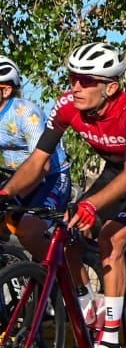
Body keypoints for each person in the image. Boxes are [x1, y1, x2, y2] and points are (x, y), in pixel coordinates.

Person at [1, 42, 126, 348]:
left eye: (86, 80)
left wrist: (91, 204)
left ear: (111, 87)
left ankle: (110, 343)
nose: (76, 86)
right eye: (73, 78)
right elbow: (37, 162)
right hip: (114, 171)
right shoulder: (67, 105)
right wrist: (5, 193)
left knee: (111, 239)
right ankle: (88, 306)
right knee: (67, 234)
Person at [0, 55, 72, 256]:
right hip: (19, 179)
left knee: (28, 233)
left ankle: (64, 271)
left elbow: (42, 166)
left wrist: (10, 195)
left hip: (51, 178)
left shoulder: (25, 113)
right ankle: (12, 266)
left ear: (5, 90)